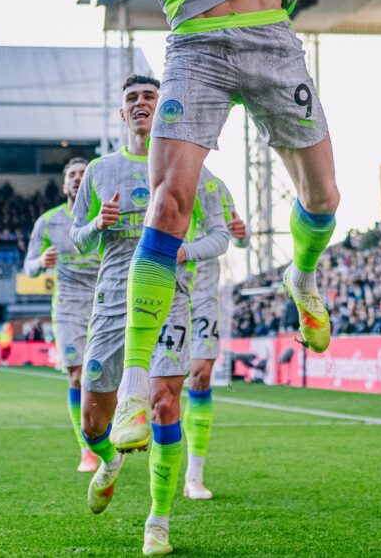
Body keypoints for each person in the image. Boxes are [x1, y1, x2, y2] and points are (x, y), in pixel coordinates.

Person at [63, 0, 344, 454]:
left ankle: (301, 276)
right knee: (166, 204)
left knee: (324, 198)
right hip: (194, 43)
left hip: (271, 37)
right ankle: (134, 392)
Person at [70, 74, 228, 556]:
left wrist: (184, 253)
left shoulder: (192, 170)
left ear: (164, 110)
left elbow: (220, 236)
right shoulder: (99, 171)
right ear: (122, 114)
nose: (141, 104)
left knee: (164, 403)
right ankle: (109, 462)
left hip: (170, 298)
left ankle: (158, 521)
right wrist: (99, 223)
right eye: (132, 99)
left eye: (150, 98)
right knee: (93, 422)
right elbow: (78, 238)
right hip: (113, 299)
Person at [24, 157, 100, 473]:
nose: (77, 178)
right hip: (67, 307)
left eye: (83, 174)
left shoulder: (104, 215)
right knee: (77, 375)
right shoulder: (48, 221)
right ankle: (87, 449)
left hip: (105, 303)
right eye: (72, 174)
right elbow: (27, 268)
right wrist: (41, 260)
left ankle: (106, 432)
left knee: (105, 377)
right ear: (63, 184)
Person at [184, 176, 249, 501]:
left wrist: (242, 234)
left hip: (206, 292)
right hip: (165, 287)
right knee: (161, 389)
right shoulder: (159, 169)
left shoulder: (215, 185)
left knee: (201, 375)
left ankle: (194, 475)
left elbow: (237, 234)